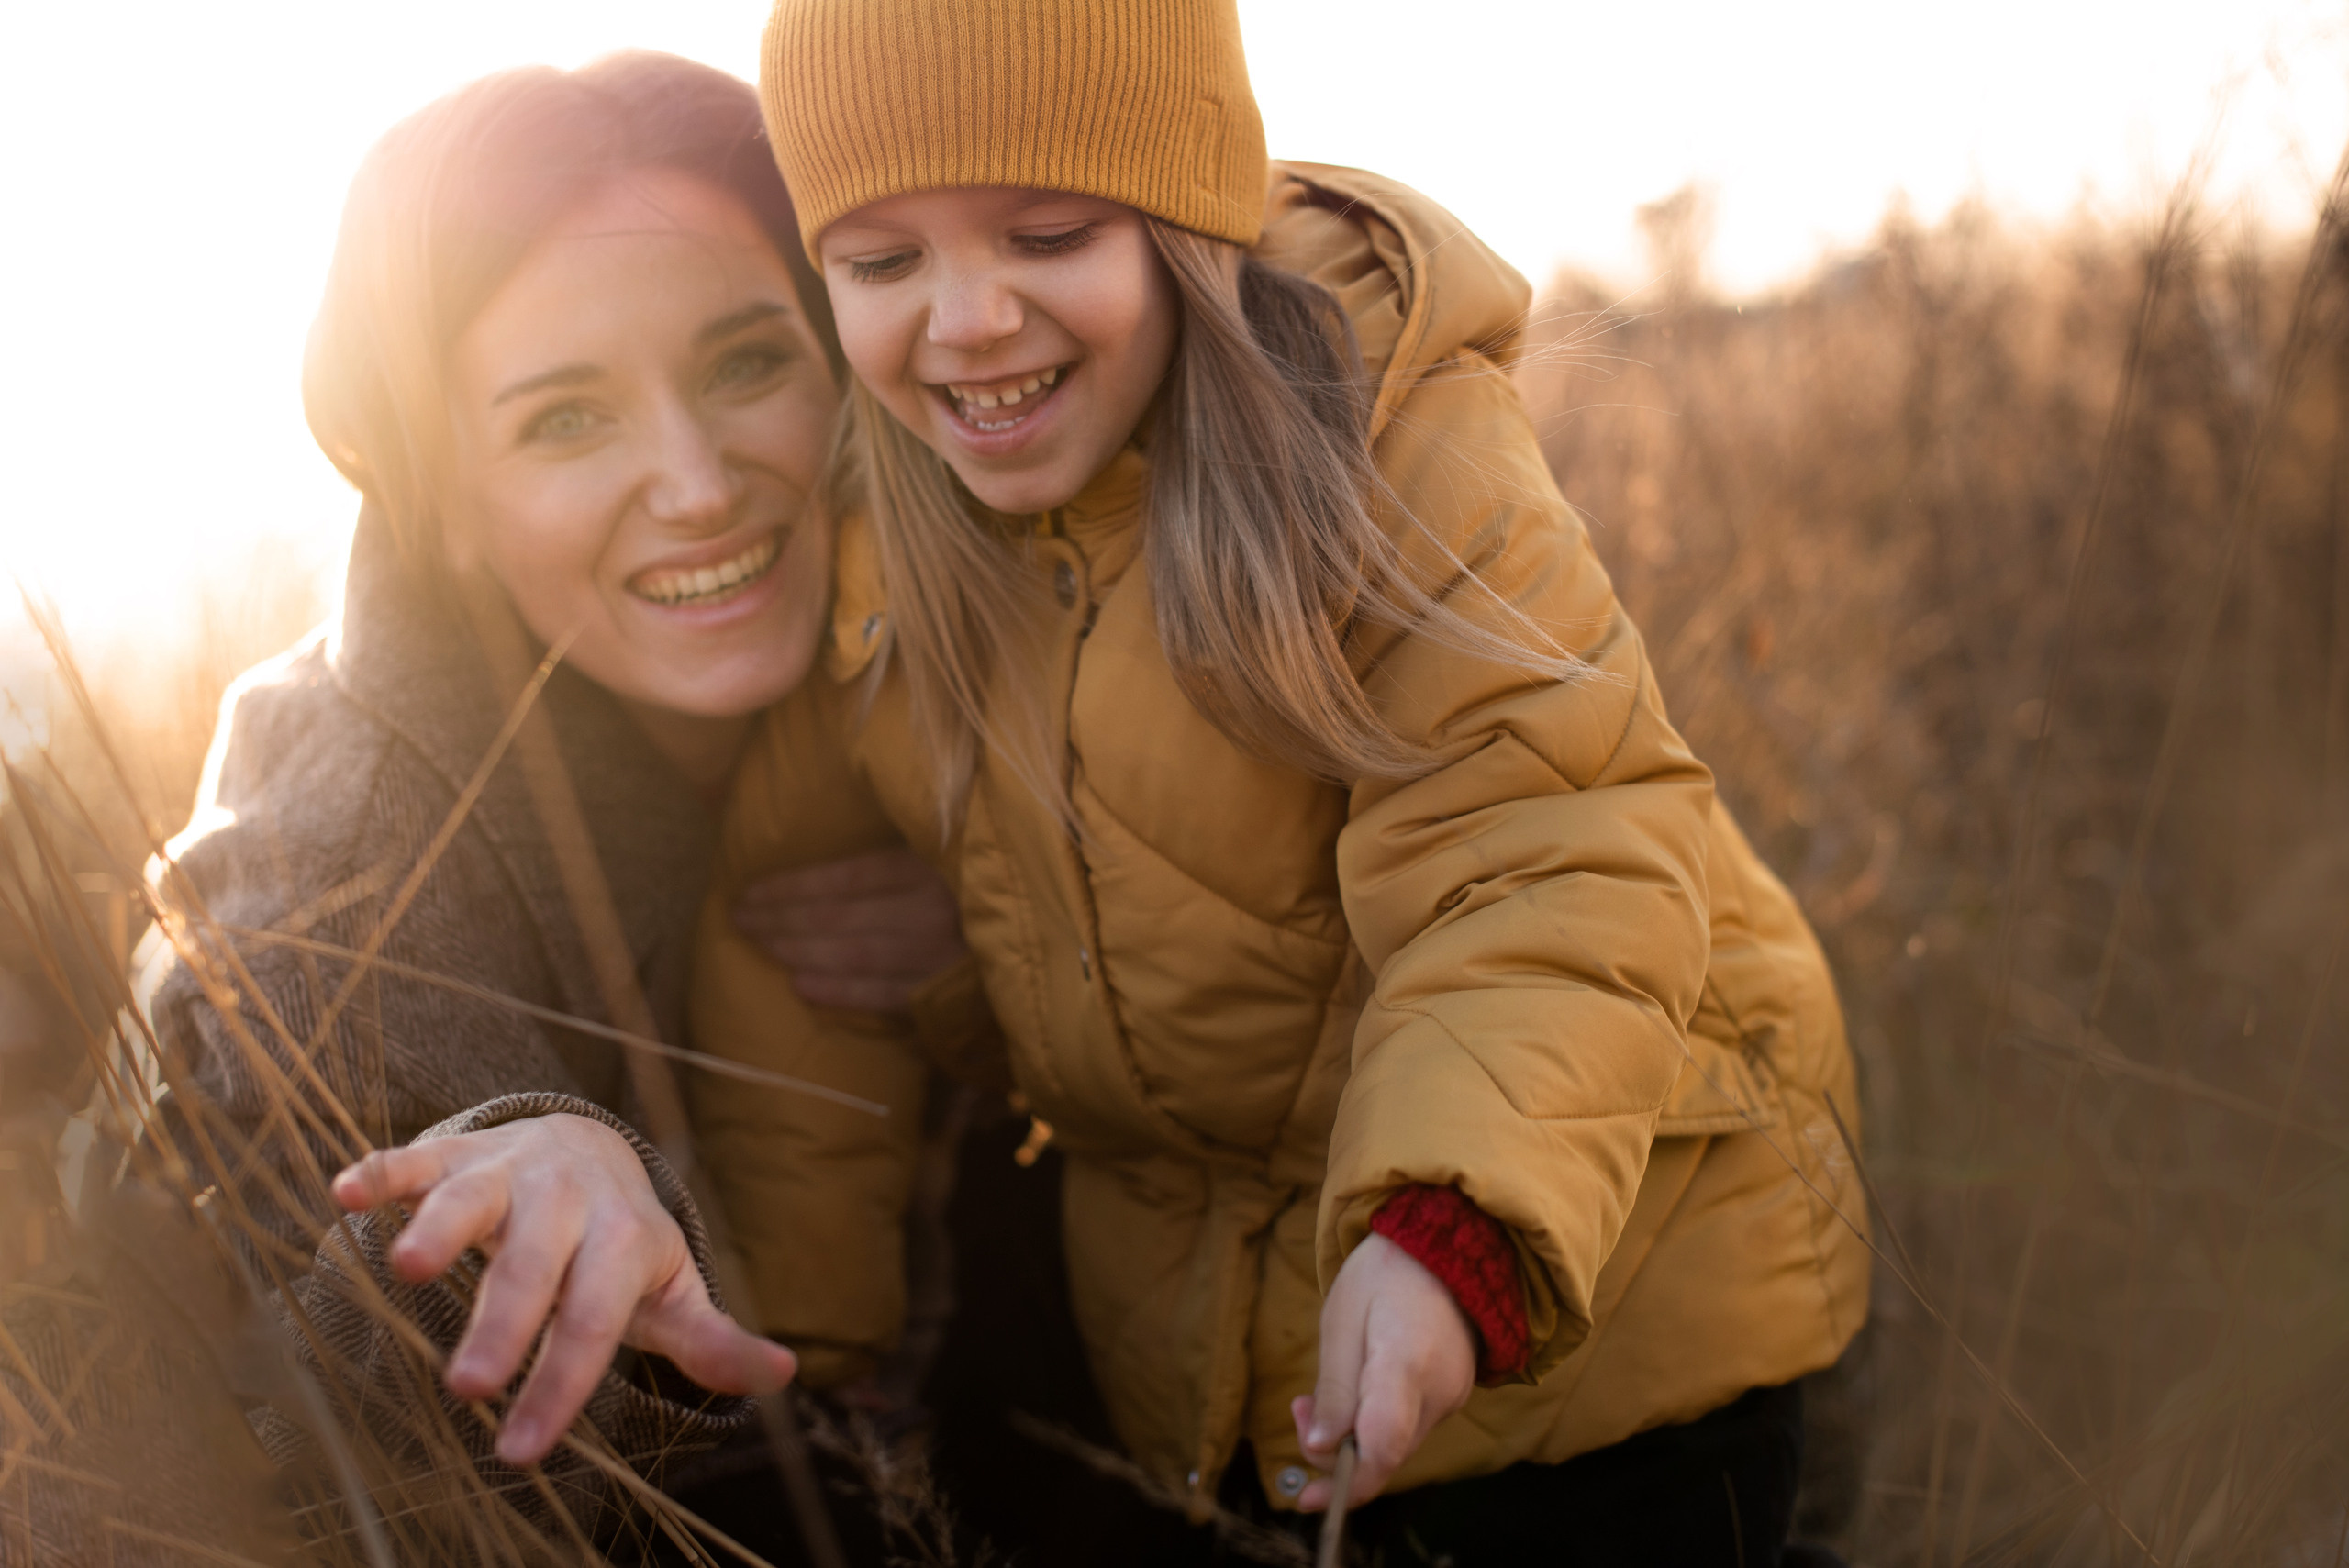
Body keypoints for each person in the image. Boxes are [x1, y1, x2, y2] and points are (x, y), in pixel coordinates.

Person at [688, 3, 1874, 1564]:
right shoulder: (881, 525)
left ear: (1185, 220)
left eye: (1045, 231)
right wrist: (800, 1363)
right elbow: (793, 938)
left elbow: (1544, 836)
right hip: (1202, 1312)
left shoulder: (1385, 434)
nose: (964, 318)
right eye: (880, 260)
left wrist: (1452, 1225)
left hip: (1602, 1288)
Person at [0, 51, 972, 1563]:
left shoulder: (960, 639)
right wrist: (530, 1182)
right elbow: (284, 1441)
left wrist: (1008, 921)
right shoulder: (342, 870)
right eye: (565, 420)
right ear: (439, 492)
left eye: (743, 364)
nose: (699, 482)